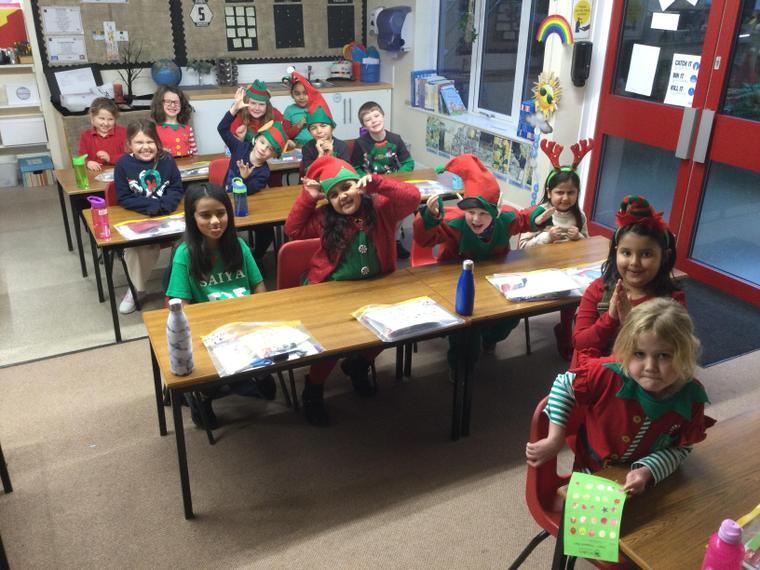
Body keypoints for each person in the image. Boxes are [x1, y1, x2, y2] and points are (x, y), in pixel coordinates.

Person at [526, 298, 714, 496]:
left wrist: (647, 471)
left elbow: (680, 448)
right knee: (583, 515)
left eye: (664, 355)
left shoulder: (691, 398)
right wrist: (555, 438)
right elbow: (563, 385)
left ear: (685, 355)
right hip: (591, 472)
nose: (650, 367)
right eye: (639, 354)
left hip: (647, 483)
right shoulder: (606, 373)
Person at [284, 156, 421, 426]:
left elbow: (413, 198)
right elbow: (293, 230)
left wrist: (378, 183)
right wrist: (308, 197)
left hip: (377, 287)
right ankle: (313, 388)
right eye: (334, 194)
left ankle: (358, 365)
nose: (342, 196)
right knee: (332, 343)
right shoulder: (325, 218)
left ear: (358, 185)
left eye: (346, 187)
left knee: (389, 330)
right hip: (332, 289)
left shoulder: (380, 207)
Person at [412, 154, 553, 374]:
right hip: (455, 282)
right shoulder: (455, 222)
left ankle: (488, 337)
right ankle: (460, 367)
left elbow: (523, 219)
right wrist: (429, 218)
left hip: (493, 280)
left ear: (495, 212)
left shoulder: (505, 219)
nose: (476, 219)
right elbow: (424, 239)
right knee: (466, 329)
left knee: (510, 316)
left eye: (483, 213)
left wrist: (536, 218)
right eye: (470, 212)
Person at [165, 182, 273, 428]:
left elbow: (258, 287)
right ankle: (203, 395)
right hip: (210, 331)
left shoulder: (239, 246)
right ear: (192, 219)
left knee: (269, 379)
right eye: (205, 215)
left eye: (221, 213)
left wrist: (260, 322)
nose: (215, 221)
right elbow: (181, 306)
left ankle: (242, 378)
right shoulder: (185, 254)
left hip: (244, 325)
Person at [572, 194, 684, 367]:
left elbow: (674, 353)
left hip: (642, 378)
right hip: (596, 375)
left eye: (646, 254)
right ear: (616, 251)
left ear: (664, 256)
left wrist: (629, 322)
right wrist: (610, 318)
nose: (634, 262)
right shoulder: (599, 289)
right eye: (626, 253)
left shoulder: (672, 300)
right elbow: (580, 343)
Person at [519, 139, 592, 361]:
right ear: (549, 192)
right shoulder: (538, 214)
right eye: (560, 192)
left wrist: (579, 237)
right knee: (568, 291)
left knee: (581, 291)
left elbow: (589, 246)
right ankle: (567, 331)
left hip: (568, 269)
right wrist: (545, 237)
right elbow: (522, 248)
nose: (565, 198)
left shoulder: (579, 216)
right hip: (539, 268)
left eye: (571, 193)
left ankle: (567, 328)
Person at [113, 119, 184, 314]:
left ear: (157, 143)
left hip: (168, 215)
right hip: (141, 217)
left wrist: (165, 205)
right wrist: (151, 206)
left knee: (190, 239)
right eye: (139, 142)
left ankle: (179, 286)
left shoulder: (167, 160)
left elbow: (176, 188)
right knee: (136, 249)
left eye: (150, 142)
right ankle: (136, 289)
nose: (145, 147)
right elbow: (124, 198)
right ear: (130, 144)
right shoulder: (123, 164)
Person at [218, 89, 289, 266]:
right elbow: (222, 129)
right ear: (256, 140)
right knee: (225, 232)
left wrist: (243, 178)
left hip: (249, 205)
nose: (264, 149)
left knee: (267, 232)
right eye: (263, 142)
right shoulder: (240, 148)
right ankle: (230, 259)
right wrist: (234, 109)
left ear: (273, 155)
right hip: (226, 200)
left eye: (269, 149)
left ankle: (255, 258)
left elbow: (249, 190)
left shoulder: (263, 172)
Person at [350, 100, 415, 259]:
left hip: (392, 185)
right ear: (364, 125)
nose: (374, 121)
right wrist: (365, 179)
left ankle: (394, 241)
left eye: (376, 116)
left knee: (400, 207)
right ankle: (378, 242)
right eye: (368, 119)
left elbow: (408, 163)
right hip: (372, 187)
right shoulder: (360, 143)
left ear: (383, 116)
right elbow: (355, 167)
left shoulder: (396, 139)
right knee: (377, 210)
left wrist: (396, 178)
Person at [285, 70, 350, 172]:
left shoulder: (342, 147)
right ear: (310, 131)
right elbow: (309, 173)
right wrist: (320, 155)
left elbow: (346, 173)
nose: (319, 131)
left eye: (323, 126)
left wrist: (330, 155)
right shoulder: (308, 149)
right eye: (313, 128)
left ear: (332, 127)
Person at [228, 79, 298, 143]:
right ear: (246, 102)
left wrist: (286, 141)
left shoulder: (275, 114)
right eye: (253, 103)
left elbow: (284, 135)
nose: (257, 108)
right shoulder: (239, 115)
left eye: (261, 104)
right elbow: (230, 145)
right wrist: (240, 139)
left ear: (267, 106)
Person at [78, 97, 126, 172]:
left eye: (110, 119)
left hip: (119, 172)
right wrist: (88, 163)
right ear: (92, 118)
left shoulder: (123, 132)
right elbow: (81, 158)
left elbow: (130, 156)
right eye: (102, 118)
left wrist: (110, 158)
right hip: (94, 174)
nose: (106, 123)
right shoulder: (85, 136)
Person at [151, 85, 197, 158]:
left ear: (182, 105)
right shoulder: (154, 129)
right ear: (160, 104)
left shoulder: (188, 129)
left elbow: (195, 152)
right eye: (168, 101)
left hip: (188, 163)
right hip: (166, 163)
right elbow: (152, 152)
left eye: (176, 102)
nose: (172, 105)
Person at [282, 74, 312, 147]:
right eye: (297, 94)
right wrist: (299, 125)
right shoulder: (289, 110)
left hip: (315, 143)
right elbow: (285, 135)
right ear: (292, 95)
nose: (301, 97)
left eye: (305, 93)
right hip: (297, 145)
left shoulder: (316, 108)